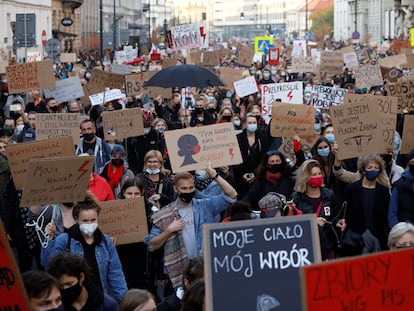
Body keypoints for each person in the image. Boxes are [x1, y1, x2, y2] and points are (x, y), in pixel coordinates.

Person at [144, 164, 237, 289]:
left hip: (203, 269)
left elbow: (232, 196)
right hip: (178, 275)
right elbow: (151, 245)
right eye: (184, 189)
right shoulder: (164, 214)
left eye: (191, 188)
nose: (188, 191)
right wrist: (169, 230)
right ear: (175, 189)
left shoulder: (205, 206)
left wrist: (215, 175)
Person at [41, 191, 128, 301]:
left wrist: (126, 301)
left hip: (100, 299)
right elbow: (47, 263)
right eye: (85, 221)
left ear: (98, 218)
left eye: (93, 220)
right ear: (76, 219)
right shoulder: (64, 240)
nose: (89, 224)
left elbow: (116, 274)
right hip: (75, 301)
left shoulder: (105, 241)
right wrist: (49, 239)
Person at [291, 159, 345, 259]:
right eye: (314, 175)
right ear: (305, 177)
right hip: (307, 247)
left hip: (328, 245)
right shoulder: (297, 197)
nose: (318, 177)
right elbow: (293, 223)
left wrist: (338, 222)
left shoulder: (329, 194)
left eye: (319, 173)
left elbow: (335, 215)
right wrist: (312, 221)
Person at [116, 177, 161, 295]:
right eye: (129, 193)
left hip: (145, 263)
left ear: (142, 194)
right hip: (123, 262)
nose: (133, 197)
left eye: (136, 194)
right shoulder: (115, 211)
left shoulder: (151, 211)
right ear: (123, 193)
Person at [341, 154, 391, 256]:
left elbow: (386, 216)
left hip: (377, 239)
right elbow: (345, 212)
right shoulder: (352, 189)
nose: (373, 170)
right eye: (370, 167)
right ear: (363, 170)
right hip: (355, 240)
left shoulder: (384, 191)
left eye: (376, 168)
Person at [47, 253, 118, 311]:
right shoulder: (56, 307)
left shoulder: (106, 305)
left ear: (81, 277)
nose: (65, 288)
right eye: (60, 286)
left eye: (69, 284)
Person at [233, 113, 269, 196]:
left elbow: (264, 158)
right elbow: (235, 158)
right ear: (245, 124)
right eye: (250, 123)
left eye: (254, 123)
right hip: (240, 178)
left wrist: (255, 173)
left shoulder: (262, 138)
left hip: (258, 176)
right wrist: (242, 173)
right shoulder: (238, 138)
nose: (252, 125)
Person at [388, 149, 414, 227]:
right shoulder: (400, 185)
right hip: (404, 231)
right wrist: (397, 231)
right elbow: (392, 212)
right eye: (412, 162)